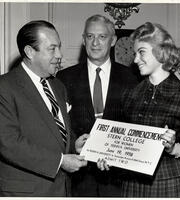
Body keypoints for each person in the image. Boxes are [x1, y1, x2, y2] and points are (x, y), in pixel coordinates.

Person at [0, 20, 88, 197]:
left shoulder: (58, 86)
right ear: (29, 52)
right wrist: (60, 162)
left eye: (59, 47)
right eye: (52, 49)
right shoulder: (3, 87)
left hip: (60, 190)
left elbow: (56, 133)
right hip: (24, 192)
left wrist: (74, 144)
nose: (59, 55)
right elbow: (9, 143)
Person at [98, 21, 180, 197]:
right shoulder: (131, 94)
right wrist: (109, 156)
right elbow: (125, 142)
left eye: (141, 52)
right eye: (135, 54)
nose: (135, 60)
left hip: (170, 185)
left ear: (161, 52)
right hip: (131, 186)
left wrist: (174, 148)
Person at [57, 14, 139, 197]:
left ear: (113, 41)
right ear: (83, 40)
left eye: (102, 37)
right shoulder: (64, 78)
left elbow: (136, 124)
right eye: (90, 36)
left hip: (119, 179)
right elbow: (58, 125)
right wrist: (72, 146)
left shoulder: (131, 79)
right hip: (79, 178)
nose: (95, 43)